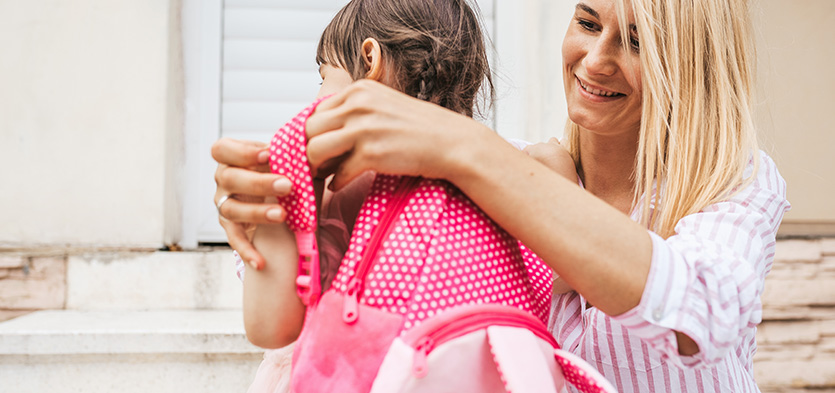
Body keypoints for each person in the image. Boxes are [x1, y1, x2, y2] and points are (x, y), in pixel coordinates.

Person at [214, 0, 790, 391]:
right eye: (588, 24)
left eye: (636, 42)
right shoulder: (480, 165)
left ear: (686, 65)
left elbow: (704, 313)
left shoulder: (736, 181)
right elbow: (313, 288)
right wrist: (270, 204)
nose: (595, 60)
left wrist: (466, 149)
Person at [227, 0, 576, 391]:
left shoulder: (345, 179)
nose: (318, 95)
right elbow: (566, 275)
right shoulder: (505, 175)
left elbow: (269, 327)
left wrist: (275, 205)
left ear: (370, 59)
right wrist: (557, 172)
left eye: (324, 76)